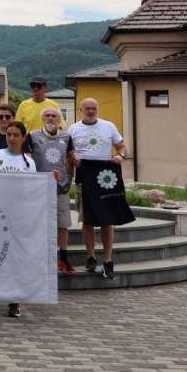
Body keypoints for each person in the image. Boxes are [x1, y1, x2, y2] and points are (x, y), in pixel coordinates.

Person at [68, 98, 134, 281]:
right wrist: (73, 158)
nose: (91, 111)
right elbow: (67, 152)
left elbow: (122, 147)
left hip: (105, 178)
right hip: (83, 178)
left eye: (94, 108)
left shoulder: (109, 126)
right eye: (87, 108)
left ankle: (107, 260)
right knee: (87, 219)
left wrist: (120, 156)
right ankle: (90, 257)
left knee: (107, 220)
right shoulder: (73, 129)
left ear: (97, 109)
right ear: (81, 110)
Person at [0, 120, 42, 319]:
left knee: (15, 257)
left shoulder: (29, 162)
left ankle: (14, 299)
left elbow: (32, 190)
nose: (11, 138)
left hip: (18, 217)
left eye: (16, 135)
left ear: (23, 137)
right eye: (8, 134)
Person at [30, 107, 76, 275]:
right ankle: (41, 259)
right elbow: (27, 158)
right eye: (47, 115)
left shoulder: (66, 137)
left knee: (63, 224)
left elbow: (71, 159)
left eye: (54, 116)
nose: (50, 118)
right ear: (42, 118)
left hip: (60, 188)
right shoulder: (32, 136)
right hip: (40, 188)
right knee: (40, 225)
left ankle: (63, 259)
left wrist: (68, 179)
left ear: (59, 119)